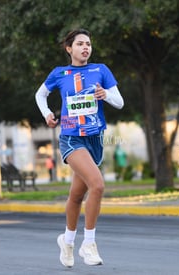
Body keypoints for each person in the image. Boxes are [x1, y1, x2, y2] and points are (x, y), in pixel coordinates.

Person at [35, 29, 124, 268]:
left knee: (76, 196)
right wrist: (47, 115)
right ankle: (89, 243)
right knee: (98, 184)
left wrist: (105, 95)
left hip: (95, 140)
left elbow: (119, 101)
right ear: (69, 49)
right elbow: (40, 95)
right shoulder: (59, 73)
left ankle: (68, 241)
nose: (85, 47)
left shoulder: (101, 70)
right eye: (80, 44)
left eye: (88, 44)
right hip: (71, 138)